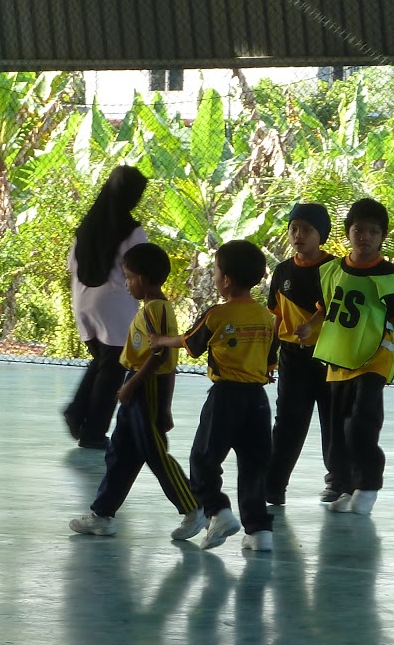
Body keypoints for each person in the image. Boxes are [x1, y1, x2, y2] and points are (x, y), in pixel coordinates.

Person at [68, 242, 201, 539]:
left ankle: (194, 508)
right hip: (138, 385)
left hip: (145, 387)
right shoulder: (152, 309)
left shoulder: (157, 310)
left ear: (142, 278)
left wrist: (133, 386)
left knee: (154, 453)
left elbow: (162, 358)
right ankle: (102, 514)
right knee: (120, 453)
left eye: (128, 278)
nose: (126, 284)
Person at [151, 239, 277, 552]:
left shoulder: (217, 315)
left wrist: (160, 340)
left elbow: (190, 343)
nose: (216, 278)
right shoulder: (266, 317)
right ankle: (259, 531)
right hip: (258, 400)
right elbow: (272, 358)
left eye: (217, 272)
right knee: (254, 466)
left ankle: (218, 511)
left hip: (226, 397)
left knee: (204, 459)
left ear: (226, 280)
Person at [302, 198, 394, 516]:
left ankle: (368, 487)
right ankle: (349, 488)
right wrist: (309, 327)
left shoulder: (387, 275)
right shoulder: (332, 270)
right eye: (359, 230)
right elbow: (326, 307)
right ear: (347, 233)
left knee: (362, 425)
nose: (364, 237)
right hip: (339, 361)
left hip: (373, 360)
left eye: (373, 232)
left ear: (382, 237)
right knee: (338, 431)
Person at [64, 165, 149, 449]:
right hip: (114, 302)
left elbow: (71, 265)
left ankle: (77, 412)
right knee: (114, 367)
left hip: (82, 299)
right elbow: (139, 267)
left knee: (103, 360)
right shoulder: (133, 230)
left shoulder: (86, 225)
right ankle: (93, 433)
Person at [263, 202, 335, 509]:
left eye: (307, 229)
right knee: (289, 422)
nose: (299, 235)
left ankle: (337, 483)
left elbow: (336, 307)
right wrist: (269, 357)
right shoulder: (282, 272)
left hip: (328, 358)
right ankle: (274, 486)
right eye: (294, 229)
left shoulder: (334, 270)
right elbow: (276, 319)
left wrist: (314, 325)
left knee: (333, 420)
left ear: (322, 235)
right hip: (293, 359)